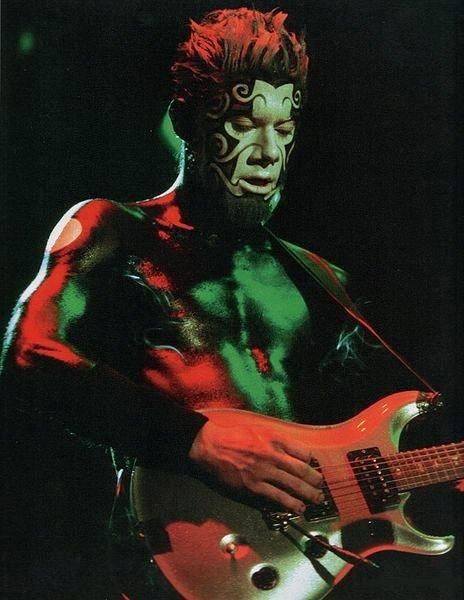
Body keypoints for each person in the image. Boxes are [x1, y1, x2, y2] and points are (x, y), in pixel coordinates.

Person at [1, 7, 446, 599]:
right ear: (185, 121)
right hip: (163, 568)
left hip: (302, 569)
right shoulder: (113, 229)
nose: (267, 151)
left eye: (283, 128)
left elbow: (366, 442)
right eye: (243, 123)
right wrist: (195, 441)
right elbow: (28, 356)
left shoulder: (321, 278)